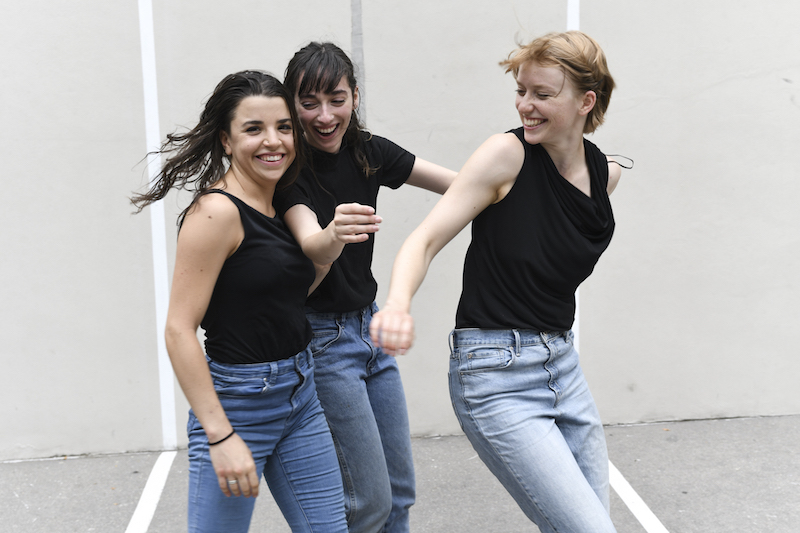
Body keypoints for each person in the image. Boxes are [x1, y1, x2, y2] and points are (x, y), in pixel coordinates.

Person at [369, 31, 623, 532]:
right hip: (496, 374)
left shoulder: (605, 174)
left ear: (585, 102)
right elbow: (422, 240)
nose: (525, 105)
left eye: (542, 94)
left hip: (563, 368)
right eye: (521, 90)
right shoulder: (505, 155)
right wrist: (397, 304)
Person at [131, 70, 348, 533]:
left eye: (284, 127)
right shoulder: (216, 213)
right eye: (254, 129)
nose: (274, 141)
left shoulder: (280, 203)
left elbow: (275, 298)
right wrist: (221, 434)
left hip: (300, 394)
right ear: (226, 141)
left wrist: (328, 254)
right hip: (239, 404)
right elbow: (178, 329)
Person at [274, 42, 456, 533]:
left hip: (371, 331)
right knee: (367, 504)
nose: (325, 115)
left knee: (399, 496)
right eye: (308, 102)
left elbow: (461, 186)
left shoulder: (368, 152)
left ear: (355, 95)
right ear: (292, 105)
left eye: (336, 98)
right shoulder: (292, 171)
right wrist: (332, 235)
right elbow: (309, 239)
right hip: (326, 343)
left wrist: (532, 185)